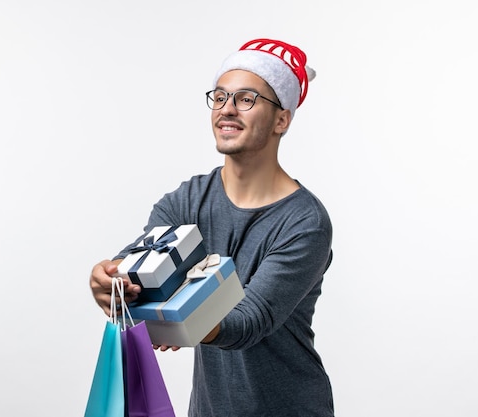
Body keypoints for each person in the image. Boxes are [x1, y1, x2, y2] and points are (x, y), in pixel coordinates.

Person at [89, 37, 334, 417]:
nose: (227, 110)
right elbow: (139, 266)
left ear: (281, 119)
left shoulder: (305, 221)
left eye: (246, 99)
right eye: (219, 97)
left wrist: (182, 321)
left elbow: (249, 321)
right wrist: (112, 283)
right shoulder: (187, 200)